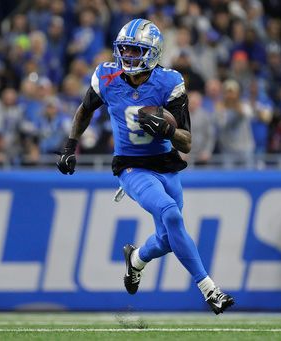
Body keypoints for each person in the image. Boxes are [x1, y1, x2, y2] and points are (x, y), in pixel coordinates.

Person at [56, 19, 234, 314]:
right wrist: (69, 146)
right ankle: (209, 289)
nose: (127, 56)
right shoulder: (107, 76)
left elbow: (186, 143)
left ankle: (136, 259)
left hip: (165, 164)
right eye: (124, 49)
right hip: (131, 167)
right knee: (171, 214)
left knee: (166, 238)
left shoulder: (169, 82)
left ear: (152, 53)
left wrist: (165, 130)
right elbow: (84, 109)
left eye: (135, 51)